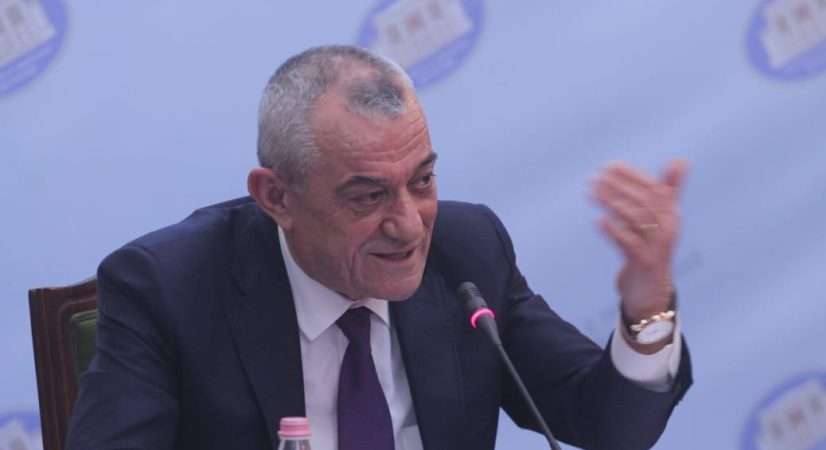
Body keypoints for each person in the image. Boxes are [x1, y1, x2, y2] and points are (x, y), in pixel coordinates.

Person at [66, 45, 691, 450]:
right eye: (368, 197)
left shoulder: (466, 250)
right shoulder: (169, 288)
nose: (410, 226)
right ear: (276, 197)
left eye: (422, 181)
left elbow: (610, 426)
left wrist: (649, 308)